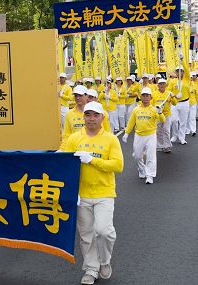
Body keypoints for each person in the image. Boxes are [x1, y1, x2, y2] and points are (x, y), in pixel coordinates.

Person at [64, 101, 124, 285]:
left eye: (95, 115)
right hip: (82, 194)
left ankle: (104, 261)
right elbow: (65, 164)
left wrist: (91, 160)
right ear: (84, 117)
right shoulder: (75, 139)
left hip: (104, 193)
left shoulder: (110, 139)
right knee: (86, 235)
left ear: (102, 117)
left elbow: (118, 165)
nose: (91, 119)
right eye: (88, 115)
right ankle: (91, 269)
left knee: (104, 232)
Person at [123, 87, 165, 184]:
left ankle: (150, 175)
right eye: (143, 95)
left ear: (151, 97)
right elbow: (131, 122)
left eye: (147, 96)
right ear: (140, 97)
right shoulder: (136, 109)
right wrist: (126, 133)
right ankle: (141, 169)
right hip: (139, 135)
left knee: (151, 156)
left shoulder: (155, 109)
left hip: (151, 135)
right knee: (137, 156)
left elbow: (163, 121)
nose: (145, 98)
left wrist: (160, 112)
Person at [59, 85, 88, 150]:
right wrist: (62, 149)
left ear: (87, 96)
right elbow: (67, 135)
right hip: (75, 150)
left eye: (80, 95)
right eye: (76, 95)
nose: (77, 98)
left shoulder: (94, 113)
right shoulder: (69, 114)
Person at [152, 79, 177, 153]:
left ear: (166, 85)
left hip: (167, 115)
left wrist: (173, 97)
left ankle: (167, 146)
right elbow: (151, 104)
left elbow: (175, 103)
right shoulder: (154, 94)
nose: (162, 85)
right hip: (157, 115)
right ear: (158, 85)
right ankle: (160, 145)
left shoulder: (168, 94)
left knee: (166, 130)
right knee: (158, 131)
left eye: (163, 84)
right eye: (160, 84)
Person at [169, 66, 191, 144]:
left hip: (185, 102)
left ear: (183, 72)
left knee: (183, 122)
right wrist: (174, 95)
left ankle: (182, 138)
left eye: (181, 71)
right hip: (175, 103)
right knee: (173, 120)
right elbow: (169, 91)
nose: (179, 73)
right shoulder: (172, 81)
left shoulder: (187, 79)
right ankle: (175, 135)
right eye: (177, 71)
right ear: (175, 73)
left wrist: (182, 60)